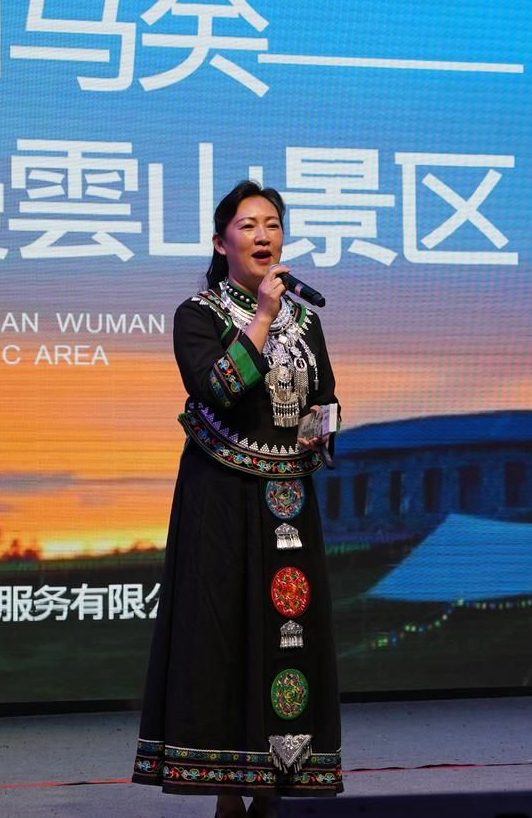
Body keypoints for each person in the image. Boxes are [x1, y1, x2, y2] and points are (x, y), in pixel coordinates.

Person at [131, 180, 344, 816]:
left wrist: (320, 431)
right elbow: (219, 387)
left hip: (288, 500)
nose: (263, 235)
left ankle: (277, 786)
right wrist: (263, 319)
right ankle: (227, 791)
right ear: (221, 243)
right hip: (220, 496)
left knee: (288, 635)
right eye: (248, 225)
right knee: (221, 631)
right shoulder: (198, 314)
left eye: (272, 224)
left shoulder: (307, 320)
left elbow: (324, 397)